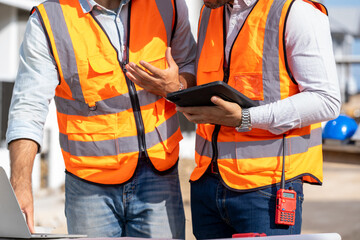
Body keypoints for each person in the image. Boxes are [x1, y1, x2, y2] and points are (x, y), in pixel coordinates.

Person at [6, 0, 196, 238]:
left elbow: (191, 64)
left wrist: (177, 86)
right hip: (89, 187)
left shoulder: (167, 4)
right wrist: (20, 185)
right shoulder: (49, 21)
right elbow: (28, 107)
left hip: (158, 177)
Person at [174, 0, 341, 239]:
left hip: (268, 188)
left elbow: (326, 100)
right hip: (207, 183)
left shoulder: (296, 12)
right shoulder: (209, 11)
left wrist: (245, 118)